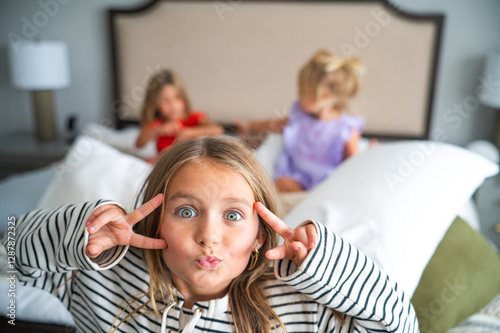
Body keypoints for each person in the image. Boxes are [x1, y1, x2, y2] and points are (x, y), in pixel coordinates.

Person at [6, 137, 418, 333]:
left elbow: (399, 327)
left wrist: (325, 261)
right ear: (157, 220)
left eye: (234, 215)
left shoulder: (299, 309)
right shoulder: (96, 278)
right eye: (186, 212)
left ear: (259, 235)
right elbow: (12, 255)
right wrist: (84, 228)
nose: (209, 236)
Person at [235, 49, 365, 192]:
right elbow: (276, 124)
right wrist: (250, 126)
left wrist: (370, 154)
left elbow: (353, 165)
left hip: (325, 183)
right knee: (280, 184)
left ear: (325, 97)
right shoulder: (301, 117)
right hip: (297, 178)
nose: (299, 97)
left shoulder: (345, 128)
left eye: (303, 93)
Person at [135, 69, 223, 155]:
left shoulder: (192, 117)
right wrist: (158, 130)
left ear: (184, 97)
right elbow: (139, 144)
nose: (173, 105)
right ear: (154, 103)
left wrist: (190, 132)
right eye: (165, 100)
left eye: (177, 97)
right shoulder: (157, 123)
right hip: (165, 161)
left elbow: (218, 130)